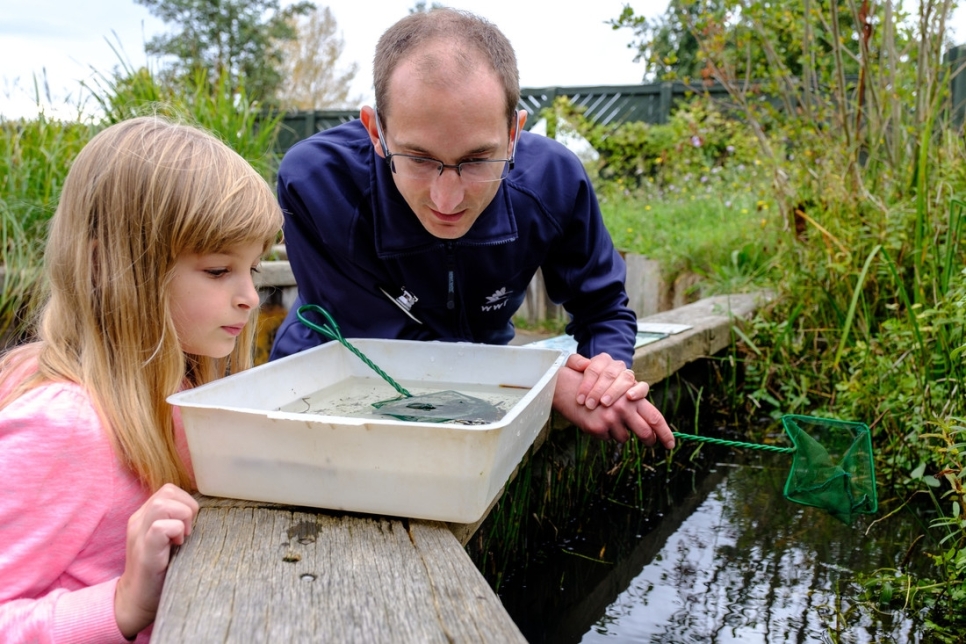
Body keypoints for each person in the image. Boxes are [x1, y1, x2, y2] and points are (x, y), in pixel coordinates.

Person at [270, 8, 674, 449]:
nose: (448, 201)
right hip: (325, 391)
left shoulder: (557, 181)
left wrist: (605, 376)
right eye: (419, 159)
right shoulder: (317, 183)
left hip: (488, 383)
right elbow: (373, 348)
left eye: (478, 160)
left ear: (514, 134)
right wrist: (534, 379)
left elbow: (603, 308)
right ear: (375, 132)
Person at [0, 116, 283, 642]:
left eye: (255, 269)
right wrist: (123, 602)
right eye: (219, 271)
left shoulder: (182, 387)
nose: (249, 296)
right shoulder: (63, 427)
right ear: (107, 266)